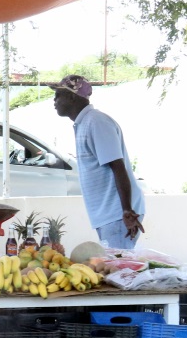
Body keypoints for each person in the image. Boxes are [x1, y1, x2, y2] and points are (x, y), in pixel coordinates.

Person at [52, 74, 146, 249]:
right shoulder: (85, 123)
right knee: (116, 271)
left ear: (72, 96)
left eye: (58, 95)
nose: (54, 100)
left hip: (118, 215)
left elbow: (118, 167)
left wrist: (126, 210)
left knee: (120, 273)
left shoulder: (96, 122)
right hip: (110, 215)